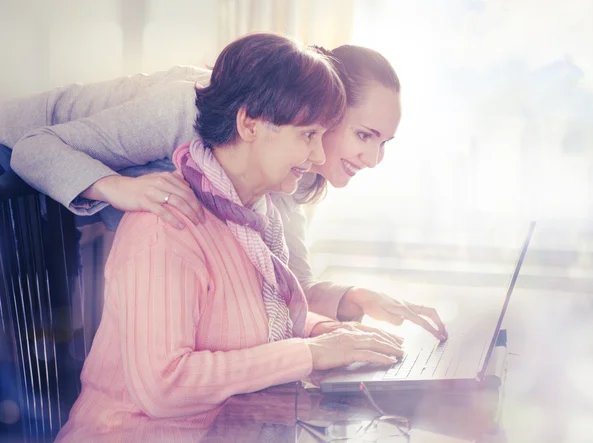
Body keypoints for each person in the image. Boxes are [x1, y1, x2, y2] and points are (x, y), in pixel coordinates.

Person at [51, 33, 406, 442]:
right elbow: (163, 387)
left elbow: (245, 319)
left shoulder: (253, 214)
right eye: (308, 135)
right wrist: (308, 354)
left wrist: (322, 332)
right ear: (249, 123)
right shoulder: (167, 225)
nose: (319, 157)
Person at [0, 36, 447, 340]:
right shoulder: (191, 107)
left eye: (383, 142)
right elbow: (35, 148)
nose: (373, 160)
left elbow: (287, 287)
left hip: (60, 184)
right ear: (322, 107)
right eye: (364, 135)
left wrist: (357, 299)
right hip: (17, 153)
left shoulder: (286, 171)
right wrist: (118, 188)